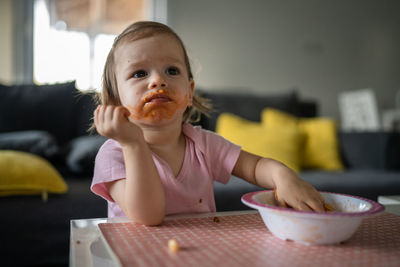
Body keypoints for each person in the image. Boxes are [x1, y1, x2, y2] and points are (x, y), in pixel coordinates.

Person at [91, 21, 325, 226]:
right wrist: (133, 144)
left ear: (190, 92)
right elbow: (148, 216)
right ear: (115, 100)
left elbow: (254, 167)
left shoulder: (203, 144)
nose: (158, 80)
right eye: (140, 73)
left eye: (172, 70)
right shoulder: (114, 155)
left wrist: (283, 177)